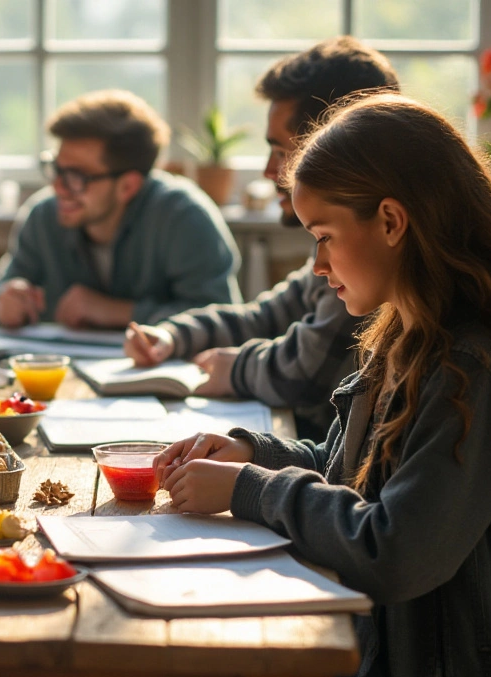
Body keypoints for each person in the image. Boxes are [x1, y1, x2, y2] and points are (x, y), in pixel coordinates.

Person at [155, 94, 491, 677]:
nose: (317, 267)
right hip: (408, 650)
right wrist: (251, 450)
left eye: (324, 238)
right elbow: (356, 466)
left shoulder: (478, 367)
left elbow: (395, 553)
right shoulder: (412, 331)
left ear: (392, 221)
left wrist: (253, 489)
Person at [125, 37, 399, 440]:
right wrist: (174, 335)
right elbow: (263, 317)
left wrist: (234, 368)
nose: (270, 171)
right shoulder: (337, 244)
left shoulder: (369, 254)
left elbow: (305, 372)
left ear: (331, 147)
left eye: (282, 152)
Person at [0, 89, 241, 329]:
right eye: (57, 168)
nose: (58, 186)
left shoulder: (185, 217)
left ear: (128, 186)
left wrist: (119, 312)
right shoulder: (44, 214)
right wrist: (3, 303)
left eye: (76, 176)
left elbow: (223, 320)